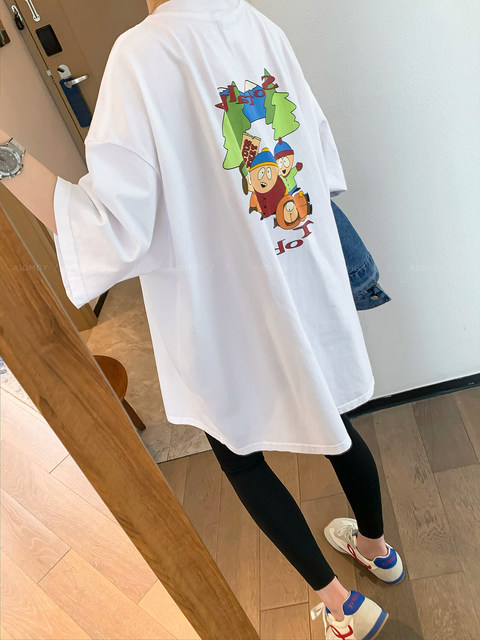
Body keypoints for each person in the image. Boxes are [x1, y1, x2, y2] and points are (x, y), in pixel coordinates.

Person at [0, 0, 405, 636]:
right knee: (334, 416)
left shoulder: (141, 55)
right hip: (298, 275)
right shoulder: (258, 25)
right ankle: (378, 552)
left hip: (220, 308)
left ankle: (342, 607)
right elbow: (317, 160)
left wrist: (7, 154)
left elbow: (110, 229)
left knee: (241, 456)